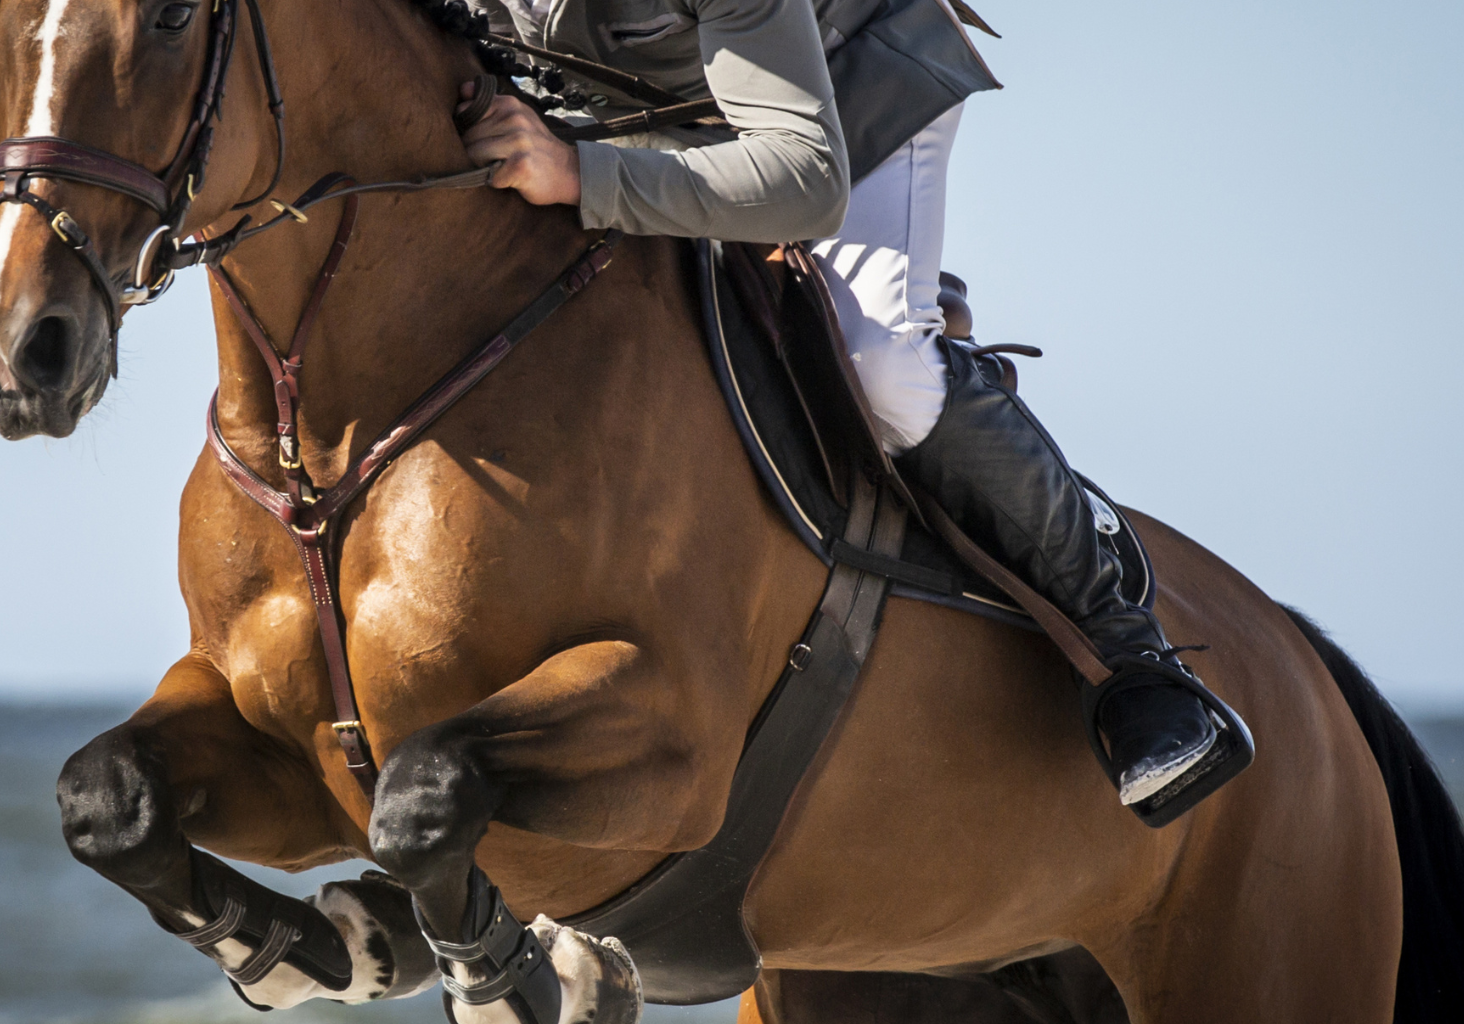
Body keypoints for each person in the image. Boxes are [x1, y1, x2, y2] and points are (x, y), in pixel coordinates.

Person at [460, 0, 1248, 825]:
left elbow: (801, 179)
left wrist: (581, 175)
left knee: (878, 364)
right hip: (645, 118)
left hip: (842, 105)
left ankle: (1132, 655)